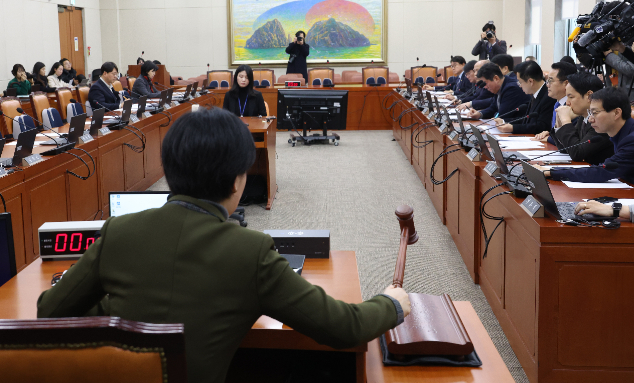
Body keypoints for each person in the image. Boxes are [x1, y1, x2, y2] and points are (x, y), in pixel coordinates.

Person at [37, 107, 410, 383]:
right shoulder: (252, 251)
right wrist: (392, 304)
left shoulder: (118, 231)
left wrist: (118, 304)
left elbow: (49, 312)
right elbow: (341, 327)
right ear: (237, 181)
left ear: (168, 171)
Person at [535, 87, 634, 183]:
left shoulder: (631, 140)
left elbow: (601, 171)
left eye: (595, 113)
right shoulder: (621, 133)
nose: (590, 119)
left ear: (616, 113)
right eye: (590, 113)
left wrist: (552, 172)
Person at [548, 71, 612, 164]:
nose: (567, 103)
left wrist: (566, 120)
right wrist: (559, 121)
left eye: (571, 97)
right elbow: (565, 149)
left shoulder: (601, 121)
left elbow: (577, 153)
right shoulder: (584, 116)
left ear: (589, 96)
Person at [494, 61, 555, 134]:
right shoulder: (536, 94)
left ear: (530, 81)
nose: (519, 85)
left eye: (520, 82)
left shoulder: (548, 97)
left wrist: (513, 128)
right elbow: (526, 119)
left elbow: (541, 126)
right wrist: (504, 121)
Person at [534, 62, 578, 140]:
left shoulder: (573, 106)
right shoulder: (557, 104)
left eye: (551, 81)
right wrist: (550, 134)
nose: (547, 85)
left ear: (566, 83)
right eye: (547, 81)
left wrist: (550, 139)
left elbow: (570, 138)